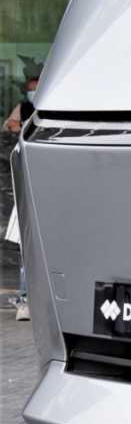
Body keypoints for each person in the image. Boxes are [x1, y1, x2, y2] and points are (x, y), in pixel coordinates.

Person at [4, 74, 39, 321]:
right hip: (28, 192)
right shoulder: (26, 113)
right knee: (27, 249)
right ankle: (26, 300)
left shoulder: (50, 113)